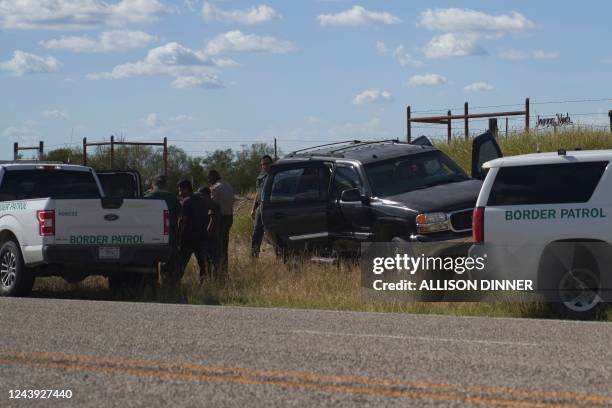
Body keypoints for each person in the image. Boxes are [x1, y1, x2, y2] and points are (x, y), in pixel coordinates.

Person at [145, 175, 181, 285]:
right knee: (171, 258)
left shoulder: (148, 197)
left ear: (153, 184)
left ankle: (152, 283)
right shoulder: (173, 197)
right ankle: (170, 282)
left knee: (151, 259)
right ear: (165, 184)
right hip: (170, 231)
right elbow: (180, 213)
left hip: (151, 232)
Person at [177, 179, 211, 284]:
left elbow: (183, 221)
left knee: (181, 263)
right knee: (203, 264)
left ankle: (175, 284)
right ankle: (202, 284)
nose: (179, 193)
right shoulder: (203, 200)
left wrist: (178, 236)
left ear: (186, 189)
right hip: (202, 237)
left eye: (180, 190)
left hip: (188, 238)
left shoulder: (186, 201)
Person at [208, 170, 234, 277]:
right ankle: (224, 270)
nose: (209, 181)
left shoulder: (215, 188)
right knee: (224, 245)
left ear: (213, 177)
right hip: (229, 217)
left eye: (209, 179)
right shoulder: (229, 186)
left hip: (220, 219)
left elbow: (212, 205)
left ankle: (217, 272)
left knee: (216, 246)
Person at [250, 155, 273, 257]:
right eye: (263, 164)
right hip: (260, 207)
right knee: (256, 233)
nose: (265, 166)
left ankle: (280, 255)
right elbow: (257, 194)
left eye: (267, 163)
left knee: (273, 233)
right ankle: (254, 256)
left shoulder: (275, 175)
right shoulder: (260, 177)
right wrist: (253, 209)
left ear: (271, 163)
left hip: (271, 207)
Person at [197, 186, 221, 278]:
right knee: (208, 261)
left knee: (212, 261)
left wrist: (206, 235)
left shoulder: (211, 205)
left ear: (207, 195)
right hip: (211, 237)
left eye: (201, 195)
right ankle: (210, 279)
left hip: (211, 237)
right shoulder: (207, 204)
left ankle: (213, 280)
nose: (200, 197)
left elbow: (213, 220)